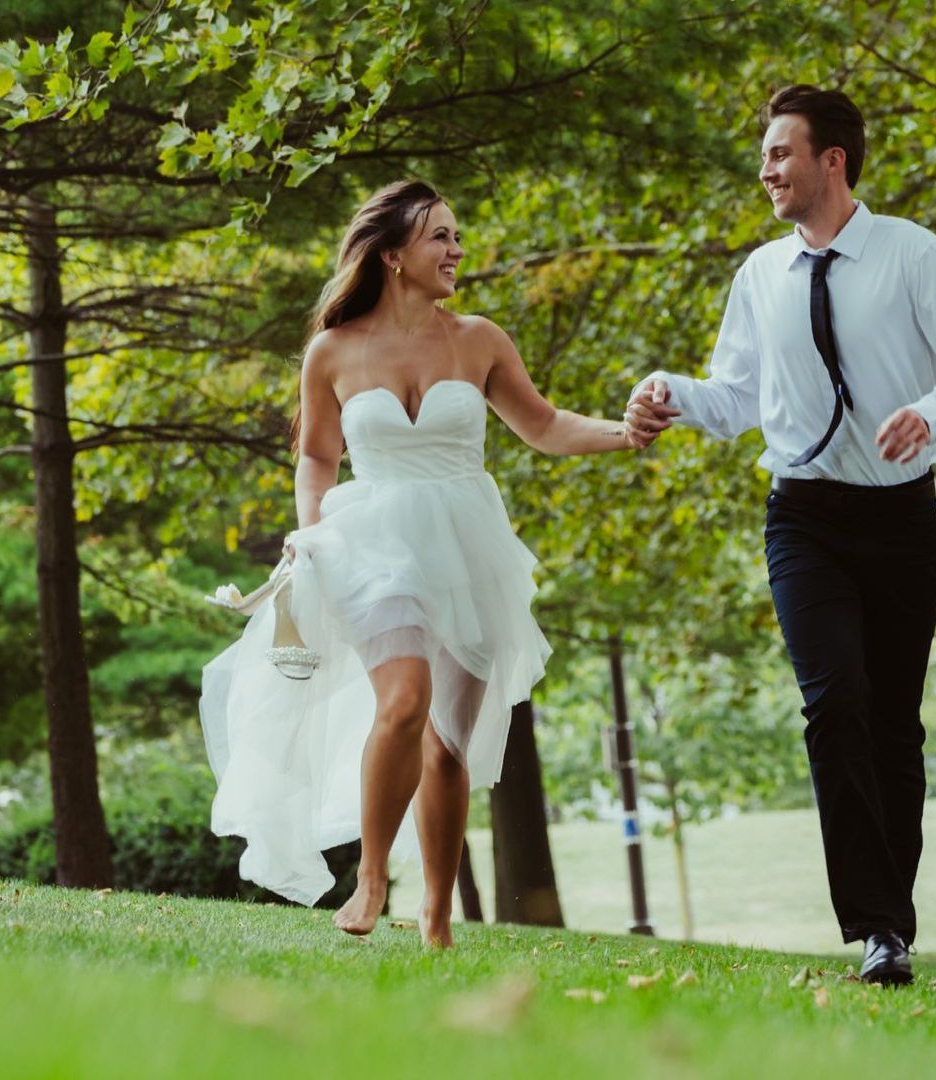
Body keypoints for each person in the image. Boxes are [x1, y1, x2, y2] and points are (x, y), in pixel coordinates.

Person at [624, 85, 936, 986]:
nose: (764, 170)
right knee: (833, 701)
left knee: (891, 728)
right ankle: (877, 927)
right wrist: (668, 392)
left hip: (899, 519)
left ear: (830, 161)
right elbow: (735, 404)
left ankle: (895, 925)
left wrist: (935, 410)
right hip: (801, 515)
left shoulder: (914, 256)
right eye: (765, 156)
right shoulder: (760, 275)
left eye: (778, 153)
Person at [201, 179, 648, 949]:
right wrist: (313, 533)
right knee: (403, 702)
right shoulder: (332, 351)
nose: (457, 250)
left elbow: (542, 426)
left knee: (448, 743)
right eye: (440, 236)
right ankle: (373, 874)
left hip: (467, 546)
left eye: (455, 235)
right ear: (393, 255)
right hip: (372, 543)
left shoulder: (478, 338)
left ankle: (438, 918)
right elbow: (315, 456)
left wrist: (626, 433)